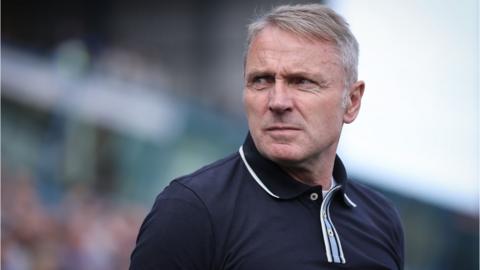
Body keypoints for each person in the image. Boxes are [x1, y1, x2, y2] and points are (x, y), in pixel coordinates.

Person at [129, 4, 404, 270]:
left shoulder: (381, 219)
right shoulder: (191, 210)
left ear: (352, 101)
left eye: (302, 82)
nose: (278, 101)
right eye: (261, 80)